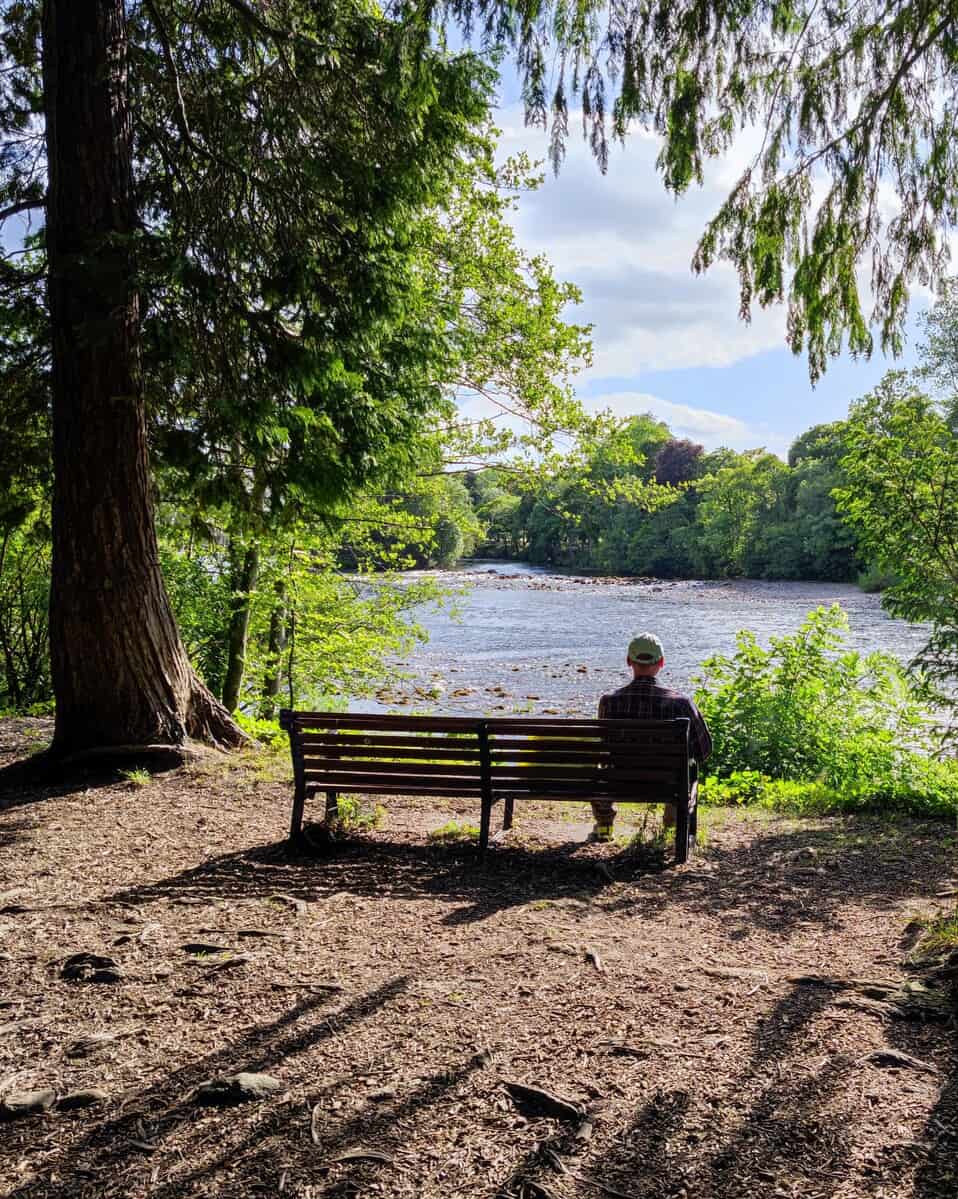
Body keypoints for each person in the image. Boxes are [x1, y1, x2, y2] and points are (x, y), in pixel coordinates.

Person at [591, 632, 712, 842]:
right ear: (662, 662)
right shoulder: (681, 703)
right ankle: (671, 826)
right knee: (685, 770)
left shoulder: (609, 702)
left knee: (602, 769)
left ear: (629, 661)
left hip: (619, 782)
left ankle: (604, 827)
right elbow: (704, 750)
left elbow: (603, 746)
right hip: (668, 783)